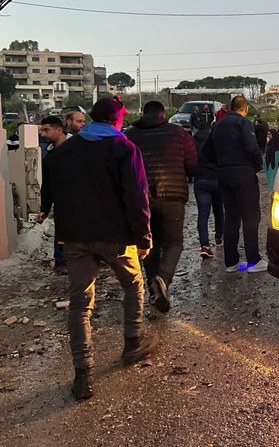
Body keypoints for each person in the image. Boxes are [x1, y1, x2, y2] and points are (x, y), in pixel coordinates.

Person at [37, 97, 156, 400]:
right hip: (115, 237)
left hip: (75, 237)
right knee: (133, 285)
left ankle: (83, 375)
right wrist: (143, 238)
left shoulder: (65, 151)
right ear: (117, 119)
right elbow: (137, 197)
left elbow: (57, 193)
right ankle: (132, 343)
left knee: (80, 304)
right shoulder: (124, 148)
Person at [125, 101, 197, 312]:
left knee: (150, 244)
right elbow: (193, 164)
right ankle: (163, 279)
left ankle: (152, 288)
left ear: (143, 113)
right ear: (163, 114)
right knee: (174, 243)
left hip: (141, 199)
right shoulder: (178, 133)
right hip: (172, 196)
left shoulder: (130, 135)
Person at [202, 95, 266, 273]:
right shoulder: (243, 123)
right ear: (244, 109)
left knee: (231, 218)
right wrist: (256, 166)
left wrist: (222, 163)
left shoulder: (218, 125)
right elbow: (252, 147)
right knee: (251, 217)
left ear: (230, 108)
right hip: (243, 174)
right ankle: (254, 260)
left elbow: (206, 151)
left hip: (224, 175)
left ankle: (231, 262)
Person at [38, 116, 71, 275]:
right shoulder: (50, 157)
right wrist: (44, 208)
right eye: (42, 130)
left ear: (59, 130)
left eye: (46, 130)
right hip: (61, 204)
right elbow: (47, 186)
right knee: (62, 233)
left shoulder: (77, 150)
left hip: (83, 201)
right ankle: (61, 261)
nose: (43, 134)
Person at [193, 121, 224, 259]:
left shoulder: (192, 143)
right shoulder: (216, 141)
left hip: (201, 180)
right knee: (218, 210)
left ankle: (205, 246)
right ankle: (219, 238)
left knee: (203, 214)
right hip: (217, 179)